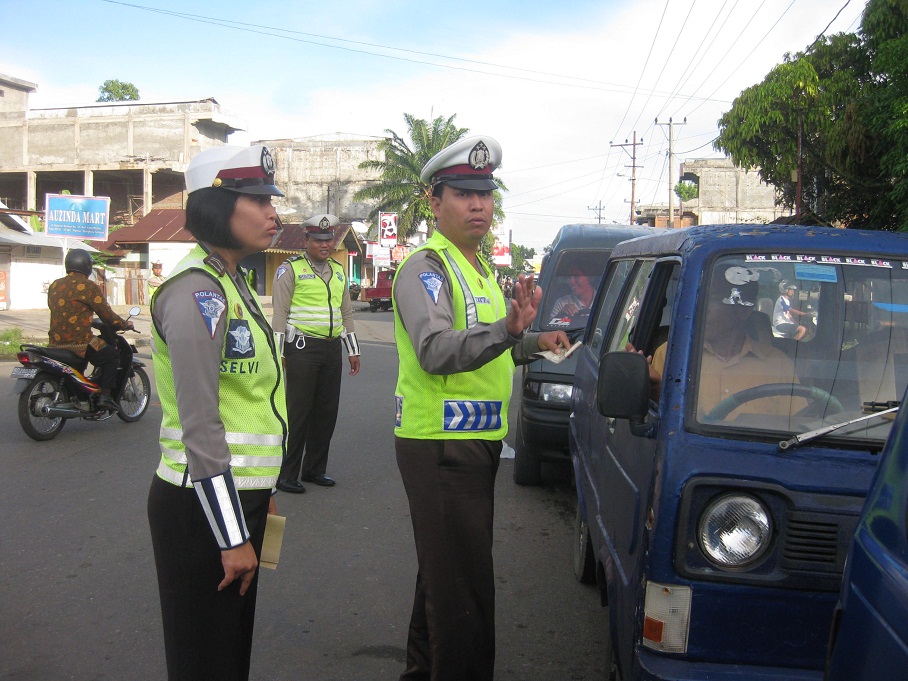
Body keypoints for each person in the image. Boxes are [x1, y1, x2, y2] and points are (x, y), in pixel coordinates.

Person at [392, 135, 570, 681]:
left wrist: (533, 342)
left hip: (475, 445)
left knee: (443, 577)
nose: (477, 205)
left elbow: (494, 348)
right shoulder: (426, 269)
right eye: (463, 193)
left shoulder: (480, 270)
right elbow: (436, 350)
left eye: (485, 194)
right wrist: (504, 330)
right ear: (434, 201)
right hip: (439, 445)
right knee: (463, 593)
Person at [146, 144, 288, 681]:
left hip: (234, 496)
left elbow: (253, 403)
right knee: (205, 657)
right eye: (256, 199)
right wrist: (231, 535)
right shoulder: (197, 292)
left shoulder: (234, 282)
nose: (273, 212)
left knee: (229, 650)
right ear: (212, 206)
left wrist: (265, 488)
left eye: (272, 199)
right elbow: (201, 423)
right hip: (199, 508)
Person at [272, 213, 361, 493]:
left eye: (328, 240)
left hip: (331, 349)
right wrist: (279, 354)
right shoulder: (291, 269)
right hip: (301, 349)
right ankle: (287, 474)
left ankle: (314, 470)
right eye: (318, 240)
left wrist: (353, 351)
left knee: (326, 412)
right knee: (298, 413)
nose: (325, 245)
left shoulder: (338, 271)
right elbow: (280, 314)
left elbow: (346, 312)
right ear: (307, 240)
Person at [47, 248, 135, 412]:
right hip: (81, 342)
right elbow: (106, 314)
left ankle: (81, 393)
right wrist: (123, 324)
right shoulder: (87, 286)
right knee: (111, 355)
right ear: (87, 266)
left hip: (55, 342)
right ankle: (105, 396)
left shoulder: (55, 285)